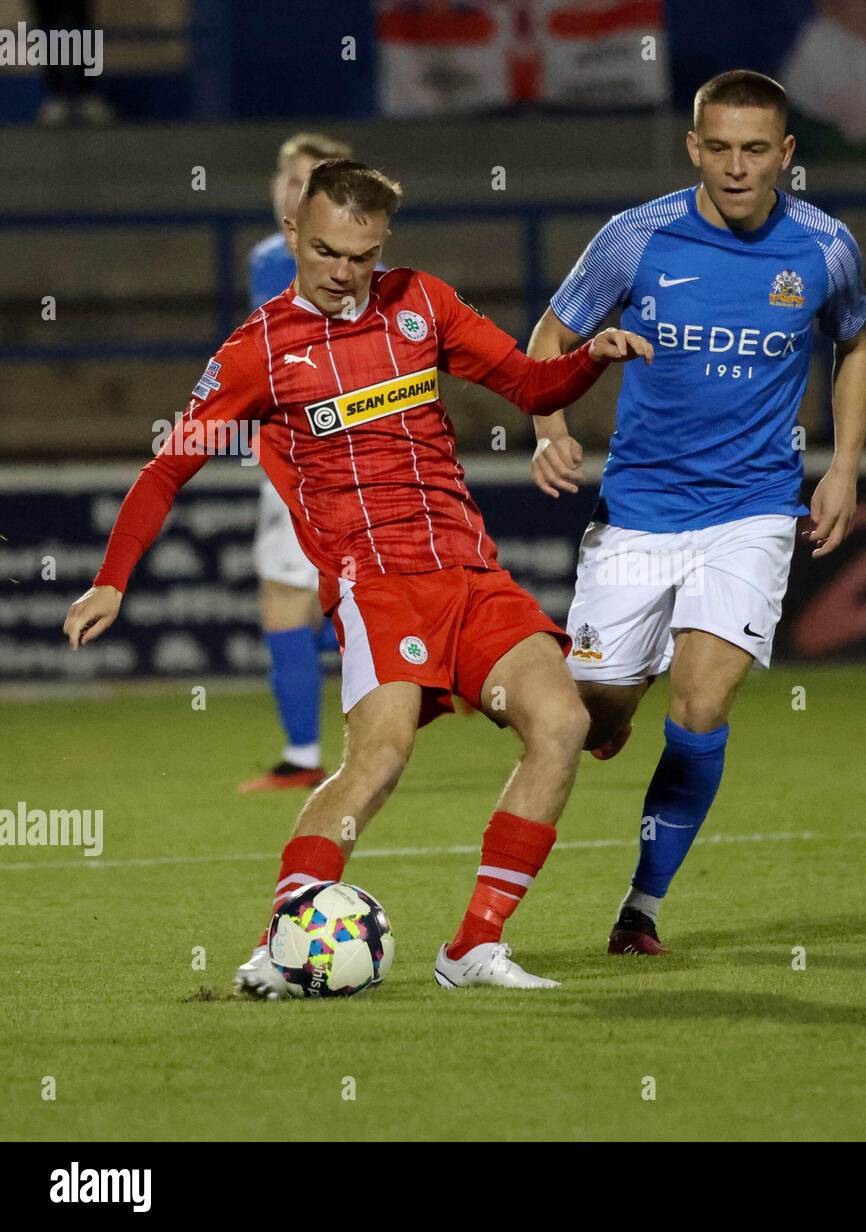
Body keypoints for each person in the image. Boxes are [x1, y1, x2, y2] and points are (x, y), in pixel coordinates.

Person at [64, 159, 652, 995]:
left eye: (364, 257)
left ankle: (473, 947)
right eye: (330, 252)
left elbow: (529, 382)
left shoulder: (422, 302)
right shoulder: (257, 351)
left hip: (469, 568)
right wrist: (112, 579)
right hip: (375, 583)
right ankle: (281, 944)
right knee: (378, 760)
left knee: (560, 724)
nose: (346, 274)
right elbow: (167, 470)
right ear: (296, 237)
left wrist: (591, 357)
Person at [527, 70, 866, 953]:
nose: (735, 166)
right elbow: (549, 338)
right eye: (717, 147)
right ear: (693, 147)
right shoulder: (634, 239)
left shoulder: (825, 247)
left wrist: (843, 467)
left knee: (704, 704)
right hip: (640, 509)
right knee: (595, 708)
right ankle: (615, 707)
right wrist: (547, 425)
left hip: (755, 508)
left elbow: (858, 343)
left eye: (755, 149)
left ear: (786, 154)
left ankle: (640, 908)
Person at [241, 131, 353, 794]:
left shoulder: (344, 264)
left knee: (291, 598)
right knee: (314, 596)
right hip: (284, 445)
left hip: (322, 450)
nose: (293, 191)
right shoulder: (265, 258)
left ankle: (307, 756)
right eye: (287, 179)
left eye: (310, 182)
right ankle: (310, 752)